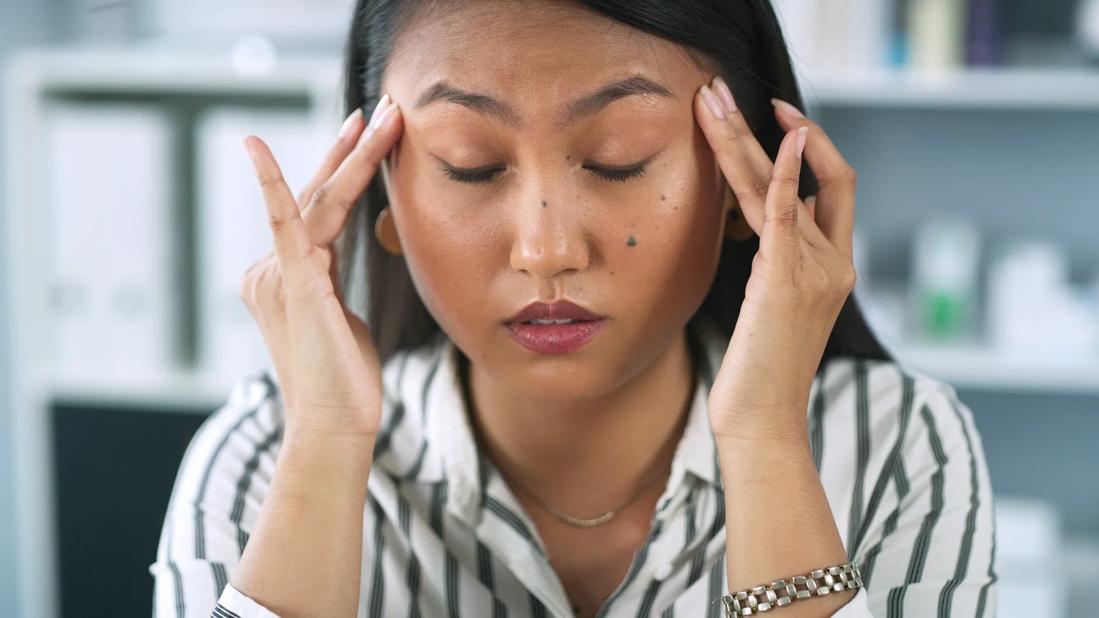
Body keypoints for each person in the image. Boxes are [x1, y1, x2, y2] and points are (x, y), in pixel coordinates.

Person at [149, 1, 997, 616]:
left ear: (745, 190)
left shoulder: (897, 446)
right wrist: (326, 445)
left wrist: (766, 437)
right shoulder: (264, 459)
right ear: (384, 202)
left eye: (619, 159)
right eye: (472, 164)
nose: (545, 249)